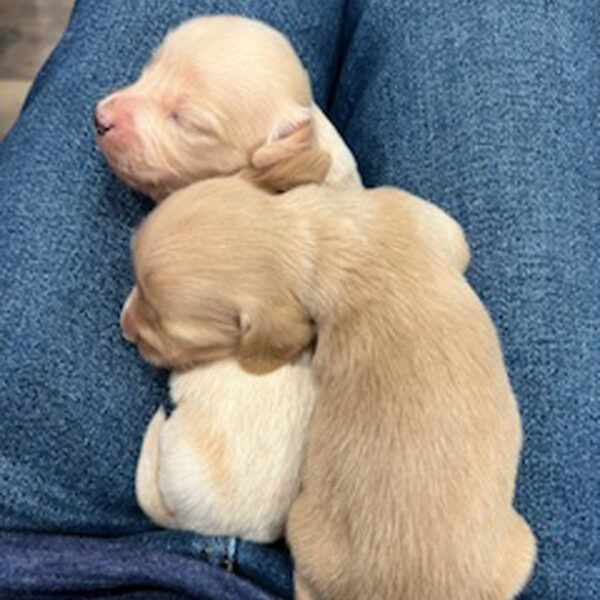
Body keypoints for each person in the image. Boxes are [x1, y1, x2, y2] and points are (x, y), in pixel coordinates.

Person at [0, 1, 597, 598]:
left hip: (53, 541)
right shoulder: (351, 241)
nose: (128, 323)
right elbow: (450, 244)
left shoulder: (273, 316)